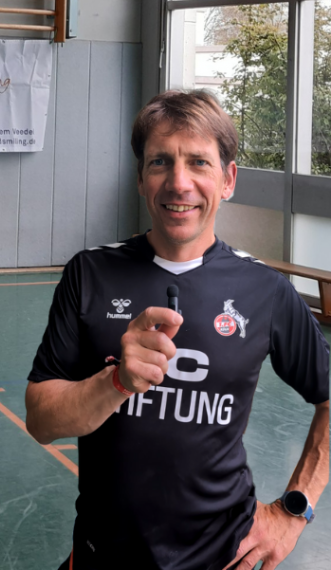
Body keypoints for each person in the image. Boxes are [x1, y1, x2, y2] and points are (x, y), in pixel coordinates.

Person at [25, 90, 329, 570]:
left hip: (223, 558)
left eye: (199, 163)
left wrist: (294, 510)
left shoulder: (265, 290)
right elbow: (41, 422)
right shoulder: (90, 274)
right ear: (141, 179)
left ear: (228, 180)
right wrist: (116, 381)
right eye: (160, 162)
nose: (179, 183)